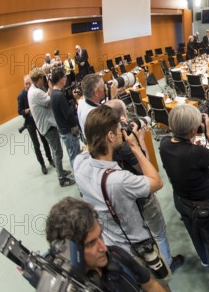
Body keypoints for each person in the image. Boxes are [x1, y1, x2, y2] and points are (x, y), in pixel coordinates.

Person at [74, 105, 173, 287]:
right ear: (111, 136)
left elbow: (87, 149)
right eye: (119, 130)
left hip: (112, 245)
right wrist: (135, 146)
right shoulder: (120, 180)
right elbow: (156, 182)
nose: (122, 132)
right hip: (137, 248)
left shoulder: (79, 165)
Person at [105, 100, 184, 273]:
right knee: (158, 231)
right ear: (122, 118)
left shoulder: (107, 140)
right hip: (142, 194)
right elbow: (148, 169)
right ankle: (167, 263)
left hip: (124, 198)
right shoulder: (126, 147)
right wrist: (139, 140)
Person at [160, 105, 209, 281]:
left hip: (181, 199)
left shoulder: (164, 144)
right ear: (194, 129)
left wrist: (191, 143)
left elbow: (183, 154)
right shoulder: (198, 152)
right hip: (205, 204)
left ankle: (205, 260)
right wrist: (208, 135)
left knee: (195, 233)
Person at [45, 197, 166, 292]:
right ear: (70, 252)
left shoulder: (116, 255)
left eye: (100, 236)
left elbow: (151, 286)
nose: (103, 248)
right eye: (91, 243)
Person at [27, 67, 75, 187]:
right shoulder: (36, 92)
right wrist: (50, 86)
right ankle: (62, 179)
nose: (43, 81)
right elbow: (50, 100)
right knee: (58, 152)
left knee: (55, 151)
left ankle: (61, 171)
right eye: (42, 79)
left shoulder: (32, 90)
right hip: (48, 126)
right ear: (38, 79)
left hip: (45, 125)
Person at [17, 74, 53, 174]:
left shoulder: (36, 92)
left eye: (29, 83)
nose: (28, 85)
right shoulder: (21, 96)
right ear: (24, 84)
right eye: (26, 84)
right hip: (29, 123)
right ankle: (42, 165)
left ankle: (50, 159)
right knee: (36, 144)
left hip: (39, 120)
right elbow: (19, 111)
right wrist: (27, 111)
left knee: (44, 141)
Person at [50, 66, 82, 170]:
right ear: (60, 79)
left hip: (63, 130)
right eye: (64, 76)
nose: (66, 78)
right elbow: (68, 114)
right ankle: (79, 179)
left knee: (72, 154)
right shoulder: (59, 95)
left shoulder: (54, 93)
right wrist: (75, 101)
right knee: (75, 157)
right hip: (69, 131)